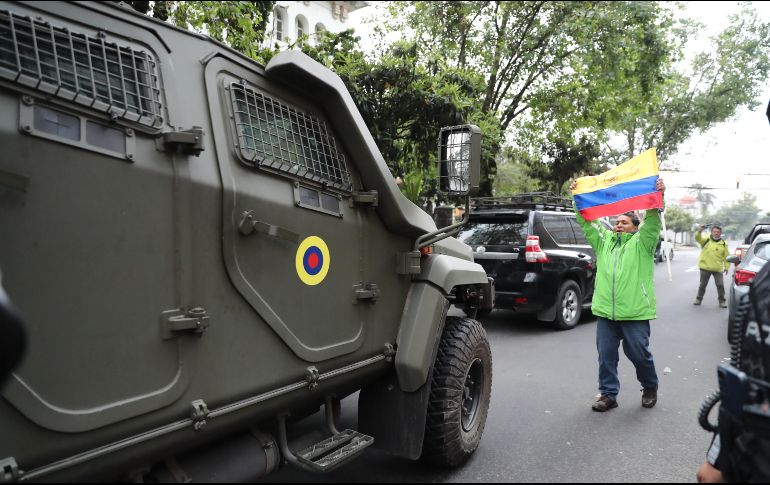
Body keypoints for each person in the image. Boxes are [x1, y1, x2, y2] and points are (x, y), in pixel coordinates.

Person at [570, 178, 665, 412]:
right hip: (606, 312)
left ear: (635, 226)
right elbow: (586, 221)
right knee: (606, 357)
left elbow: (652, 221)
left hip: (634, 312)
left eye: (624, 221)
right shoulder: (604, 242)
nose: (618, 224)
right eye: (616, 221)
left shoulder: (643, 242)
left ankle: (650, 386)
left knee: (639, 354)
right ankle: (608, 394)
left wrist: (657, 196)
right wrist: (576, 197)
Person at [693, 224, 729, 308]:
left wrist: (726, 267)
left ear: (720, 233)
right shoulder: (706, 240)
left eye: (718, 232)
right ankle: (698, 299)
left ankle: (722, 301)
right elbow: (697, 238)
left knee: (720, 285)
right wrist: (699, 231)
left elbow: (726, 256)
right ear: (711, 232)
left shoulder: (723, 244)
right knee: (702, 285)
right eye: (714, 231)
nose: (716, 233)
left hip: (717, 268)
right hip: (705, 267)